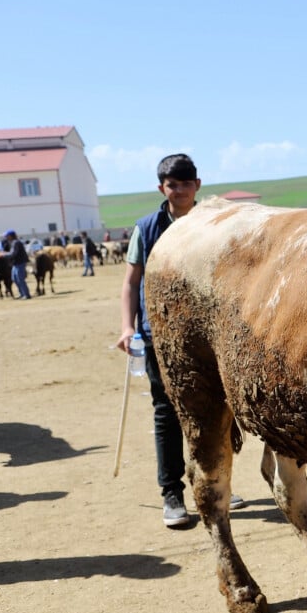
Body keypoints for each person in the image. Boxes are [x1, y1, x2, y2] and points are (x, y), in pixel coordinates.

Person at [117, 154, 244, 528]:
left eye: (186, 184)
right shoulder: (148, 227)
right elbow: (131, 281)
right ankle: (171, 491)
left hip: (211, 335)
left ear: (197, 186)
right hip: (163, 336)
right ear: (163, 188)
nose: (181, 190)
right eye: (173, 184)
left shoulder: (214, 223)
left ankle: (216, 482)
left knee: (220, 410)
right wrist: (128, 327)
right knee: (168, 413)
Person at [3, 230, 31, 299]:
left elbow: (13, 254)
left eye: (7, 236)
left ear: (11, 236)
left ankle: (26, 295)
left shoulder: (16, 243)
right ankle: (22, 293)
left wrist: (3, 255)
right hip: (16, 263)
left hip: (20, 263)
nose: (6, 237)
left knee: (20, 279)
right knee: (14, 278)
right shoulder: (13, 242)